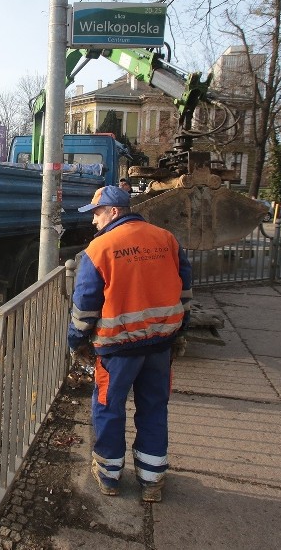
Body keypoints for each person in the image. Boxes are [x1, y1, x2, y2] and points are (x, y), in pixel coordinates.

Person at [68, 185, 192, 503]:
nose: (94, 221)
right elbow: (185, 291)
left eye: (96, 213)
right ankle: (152, 480)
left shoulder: (101, 248)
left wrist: (78, 341)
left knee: (109, 409)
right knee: (154, 407)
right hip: (160, 344)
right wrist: (180, 332)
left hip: (117, 349)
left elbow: (85, 306)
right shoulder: (167, 240)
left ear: (113, 211)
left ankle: (109, 476)